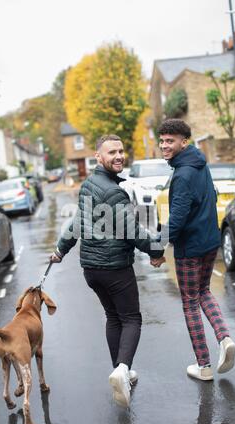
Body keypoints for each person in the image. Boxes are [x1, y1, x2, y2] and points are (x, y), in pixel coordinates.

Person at [51, 134, 165, 407]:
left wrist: (60, 249)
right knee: (131, 319)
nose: (118, 156)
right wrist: (157, 251)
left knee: (113, 317)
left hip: (91, 269)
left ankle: (119, 370)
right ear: (98, 157)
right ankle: (123, 369)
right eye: (111, 152)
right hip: (114, 268)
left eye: (121, 150)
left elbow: (77, 222)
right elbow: (133, 232)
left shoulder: (89, 184)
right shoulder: (114, 192)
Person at [155, 118, 235, 381]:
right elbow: (209, 197)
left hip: (190, 249)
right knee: (203, 293)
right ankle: (225, 339)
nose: (164, 145)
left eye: (170, 141)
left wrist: (157, 248)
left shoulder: (183, 174)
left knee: (190, 303)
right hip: (210, 242)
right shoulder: (200, 164)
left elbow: (177, 218)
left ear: (184, 142)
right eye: (162, 140)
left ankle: (204, 367)